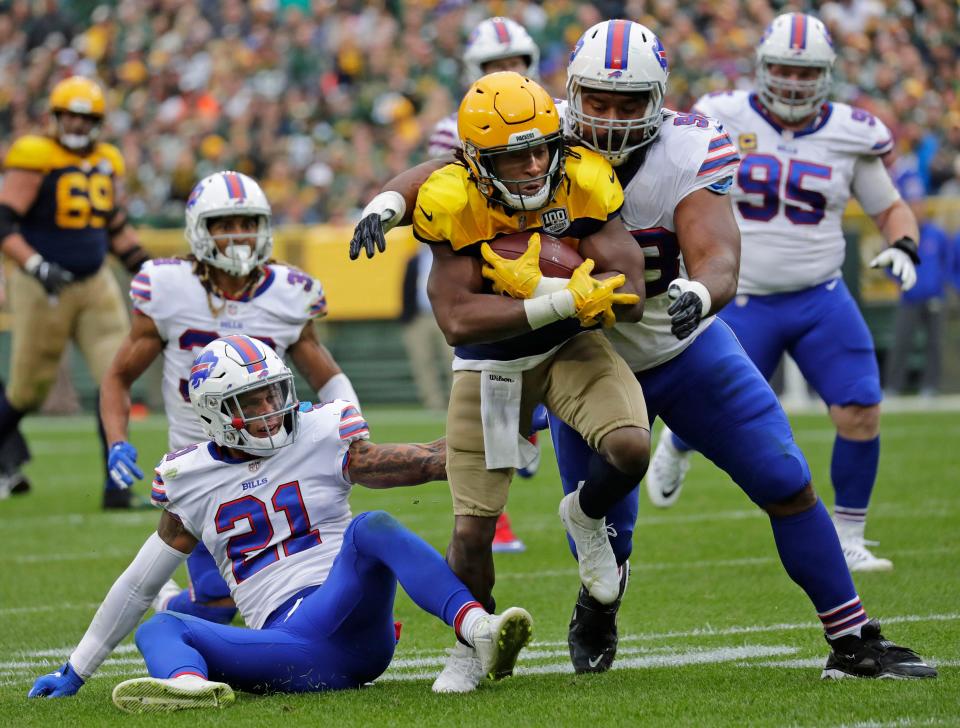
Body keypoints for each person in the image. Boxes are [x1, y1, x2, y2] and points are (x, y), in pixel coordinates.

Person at [353, 20, 937, 683]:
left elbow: (718, 253)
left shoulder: (688, 148)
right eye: (597, 99)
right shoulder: (545, 139)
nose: (607, 116)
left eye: (628, 102)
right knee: (608, 532)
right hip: (583, 354)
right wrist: (387, 201)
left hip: (682, 346)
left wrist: (700, 289)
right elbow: (446, 169)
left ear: (658, 100)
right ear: (574, 92)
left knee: (786, 481)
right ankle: (598, 599)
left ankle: (853, 639)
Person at [28, 335, 534, 712]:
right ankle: (187, 687)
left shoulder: (320, 432)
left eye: (274, 394)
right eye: (253, 402)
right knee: (161, 625)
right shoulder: (190, 479)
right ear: (216, 412)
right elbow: (140, 584)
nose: (270, 410)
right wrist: (76, 668)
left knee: (370, 526)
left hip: (352, 614)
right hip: (284, 648)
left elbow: (424, 461)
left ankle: (476, 628)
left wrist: (509, 431)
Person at [351, 70, 652, 693]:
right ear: (479, 161)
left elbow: (633, 292)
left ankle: (586, 516)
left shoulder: (584, 176)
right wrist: (558, 296)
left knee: (630, 446)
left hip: (569, 348)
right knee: (472, 527)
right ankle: (471, 642)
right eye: (515, 155)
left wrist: (598, 298)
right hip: (491, 364)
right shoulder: (454, 197)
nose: (533, 163)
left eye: (541, 147)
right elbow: (459, 320)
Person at [649, 12, 923, 574]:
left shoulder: (851, 129)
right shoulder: (719, 115)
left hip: (821, 297)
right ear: (761, 68)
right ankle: (677, 446)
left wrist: (904, 245)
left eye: (806, 71)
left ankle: (850, 535)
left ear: (825, 74)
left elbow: (888, 204)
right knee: (706, 411)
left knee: (860, 411)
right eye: (783, 69)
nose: (794, 81)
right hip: (741, 298)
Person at [100, 170, 360, 626]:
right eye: (225, 224)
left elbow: (326, 372)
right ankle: (168, 605)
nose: (239, 235)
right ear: (200, 230)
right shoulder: (167, 287)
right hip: (204, 466)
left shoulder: (288, 293)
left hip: (280, 461)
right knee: (218, 607)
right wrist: (117, 438)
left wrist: (351, 424)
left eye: (248, 222)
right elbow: (119, 376)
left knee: (309, 582)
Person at [0, 75, 150, 509]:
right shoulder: (35, 154)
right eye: (71, 115)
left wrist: (145, 265)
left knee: (115, 376)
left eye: (86, 118)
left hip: (96, 281)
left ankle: (116, 489)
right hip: (41, 284)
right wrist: (35, 264)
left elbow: (115, 226)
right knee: (28, 391)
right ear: (55, 116)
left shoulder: (107, 160)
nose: (78, 124)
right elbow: (4, 223)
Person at [427, 15, 546, 553]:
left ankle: (533, 423)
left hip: (548, 262)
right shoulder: (453, 130)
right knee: (485, 397)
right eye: (495, 66)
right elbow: (436, 209)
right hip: (481, 271)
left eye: (516, 64)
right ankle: (493, 520)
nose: (506, 72)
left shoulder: (550, 118)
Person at [883, 174, 950, 396]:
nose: (916, 209)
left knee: (935, 344)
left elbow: (948, 262)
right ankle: (893, 386)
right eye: (912, 205)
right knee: (901, 342)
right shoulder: (901, 236)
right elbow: (888, 264)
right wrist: (899, 281)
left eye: (919, 204)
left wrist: (941, 283)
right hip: (909, 297)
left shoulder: (937, 234)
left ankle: (930, 386)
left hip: (934, 297)